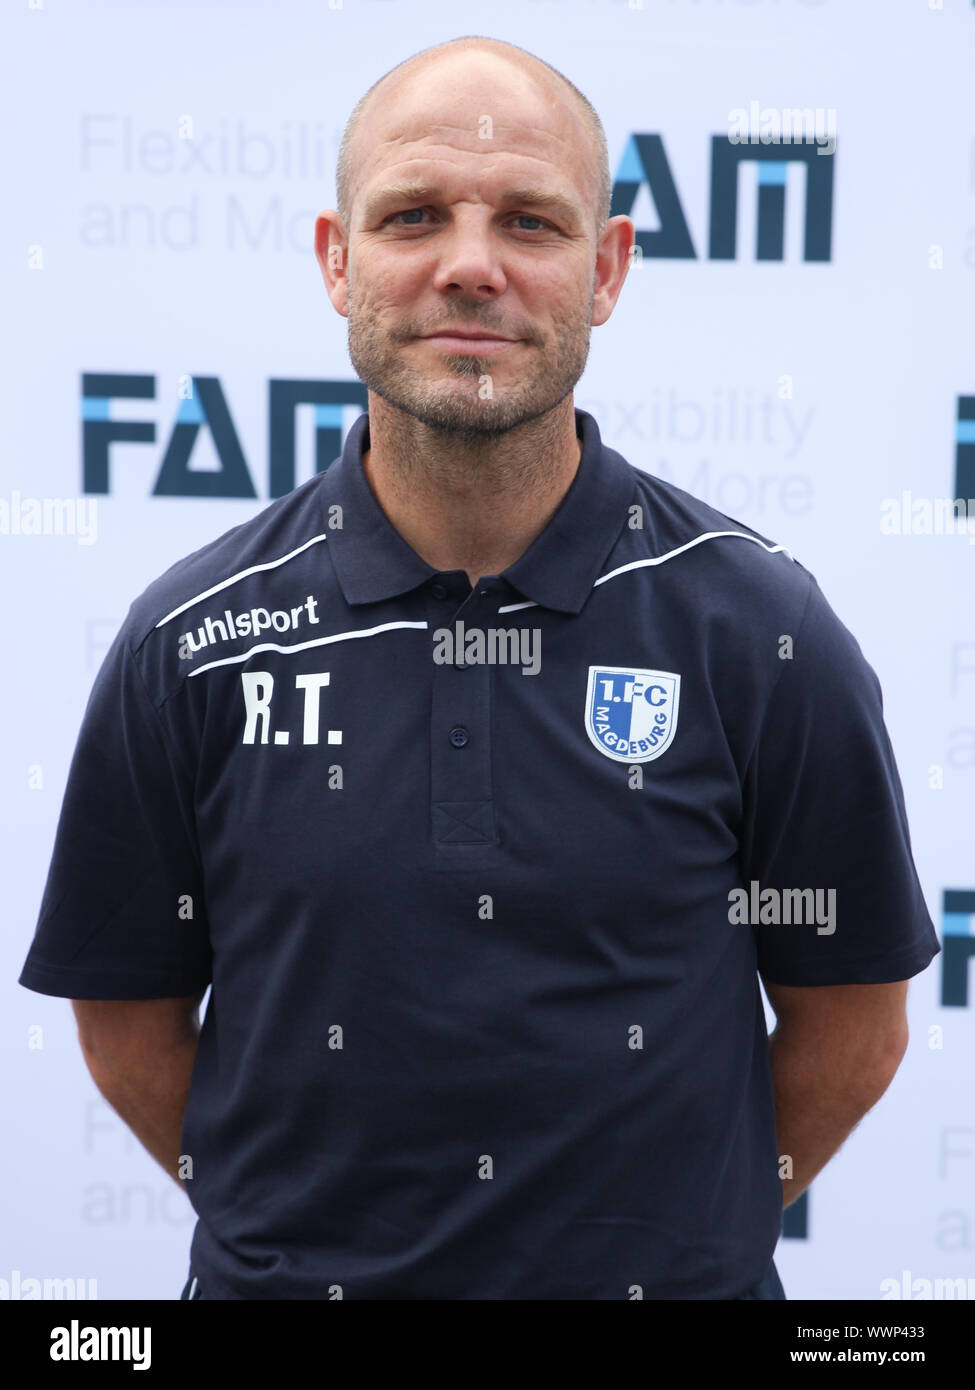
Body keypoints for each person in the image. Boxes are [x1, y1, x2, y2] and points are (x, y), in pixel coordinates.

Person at [19, 35, 939, 1301]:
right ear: (339, 263)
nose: (469, 264)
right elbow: (127, 1025)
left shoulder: (759, 630)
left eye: (529, 221)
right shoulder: (190, 642)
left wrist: (683, 1241)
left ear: (605, 268)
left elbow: (855, 1026)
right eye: (411, 217)